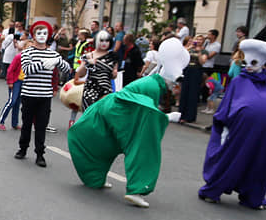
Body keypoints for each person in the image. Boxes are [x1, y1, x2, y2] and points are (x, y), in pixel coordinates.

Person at [67, 37, 188, 208]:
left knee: (106, 144)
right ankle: (136, 190)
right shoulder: (152, 86)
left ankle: (95, 178)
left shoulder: (151, 82)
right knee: (143, 147)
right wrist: (166, 117)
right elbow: (146, 116)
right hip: (114, 113)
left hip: (107, 112)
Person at [199, 39, 266, 210]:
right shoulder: (239, 81)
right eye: (245, 62)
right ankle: (215, 189)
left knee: (259, 161)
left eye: (254, 62)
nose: (248, 66)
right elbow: (227, 106)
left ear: (263, 64)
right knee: (233, 157)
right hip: (241, 129)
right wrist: (223, 123)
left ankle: (253, 196)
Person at [15, 22, 70, 167]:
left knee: (41, 125)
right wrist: (42, 64)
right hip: (29, 94)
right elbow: (27, 69)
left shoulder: (53, 53)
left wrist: (58, 61)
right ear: (33, 35)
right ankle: (23, 148)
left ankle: (40, 154)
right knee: (26, 123)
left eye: (44, 33)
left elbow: (67, 69)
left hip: (45, 96)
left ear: (48, 36)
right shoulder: (27, 52)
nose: (41, 36)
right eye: (38, 33)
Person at [75, 31, 118, 111]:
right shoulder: (88, 55)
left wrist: (114, 73)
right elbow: (80, 74)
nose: (104, 43)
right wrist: (87, 63)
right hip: (91, 89)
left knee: (102, 113)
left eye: (107, 41)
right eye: (101, 40)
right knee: (90, 114)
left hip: (106, 88)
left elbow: (113, 75)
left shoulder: (113, 57)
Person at [0, 40, 28, 131]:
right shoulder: (19, 57)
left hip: (24, 82)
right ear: (24, 47)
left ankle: (15, 123)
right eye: (28, 47)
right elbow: (10, 69)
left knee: (18, 103)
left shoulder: (30, 59)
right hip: (16, 81)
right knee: (12, 101)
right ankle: (1, 121)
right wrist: (10, 81)